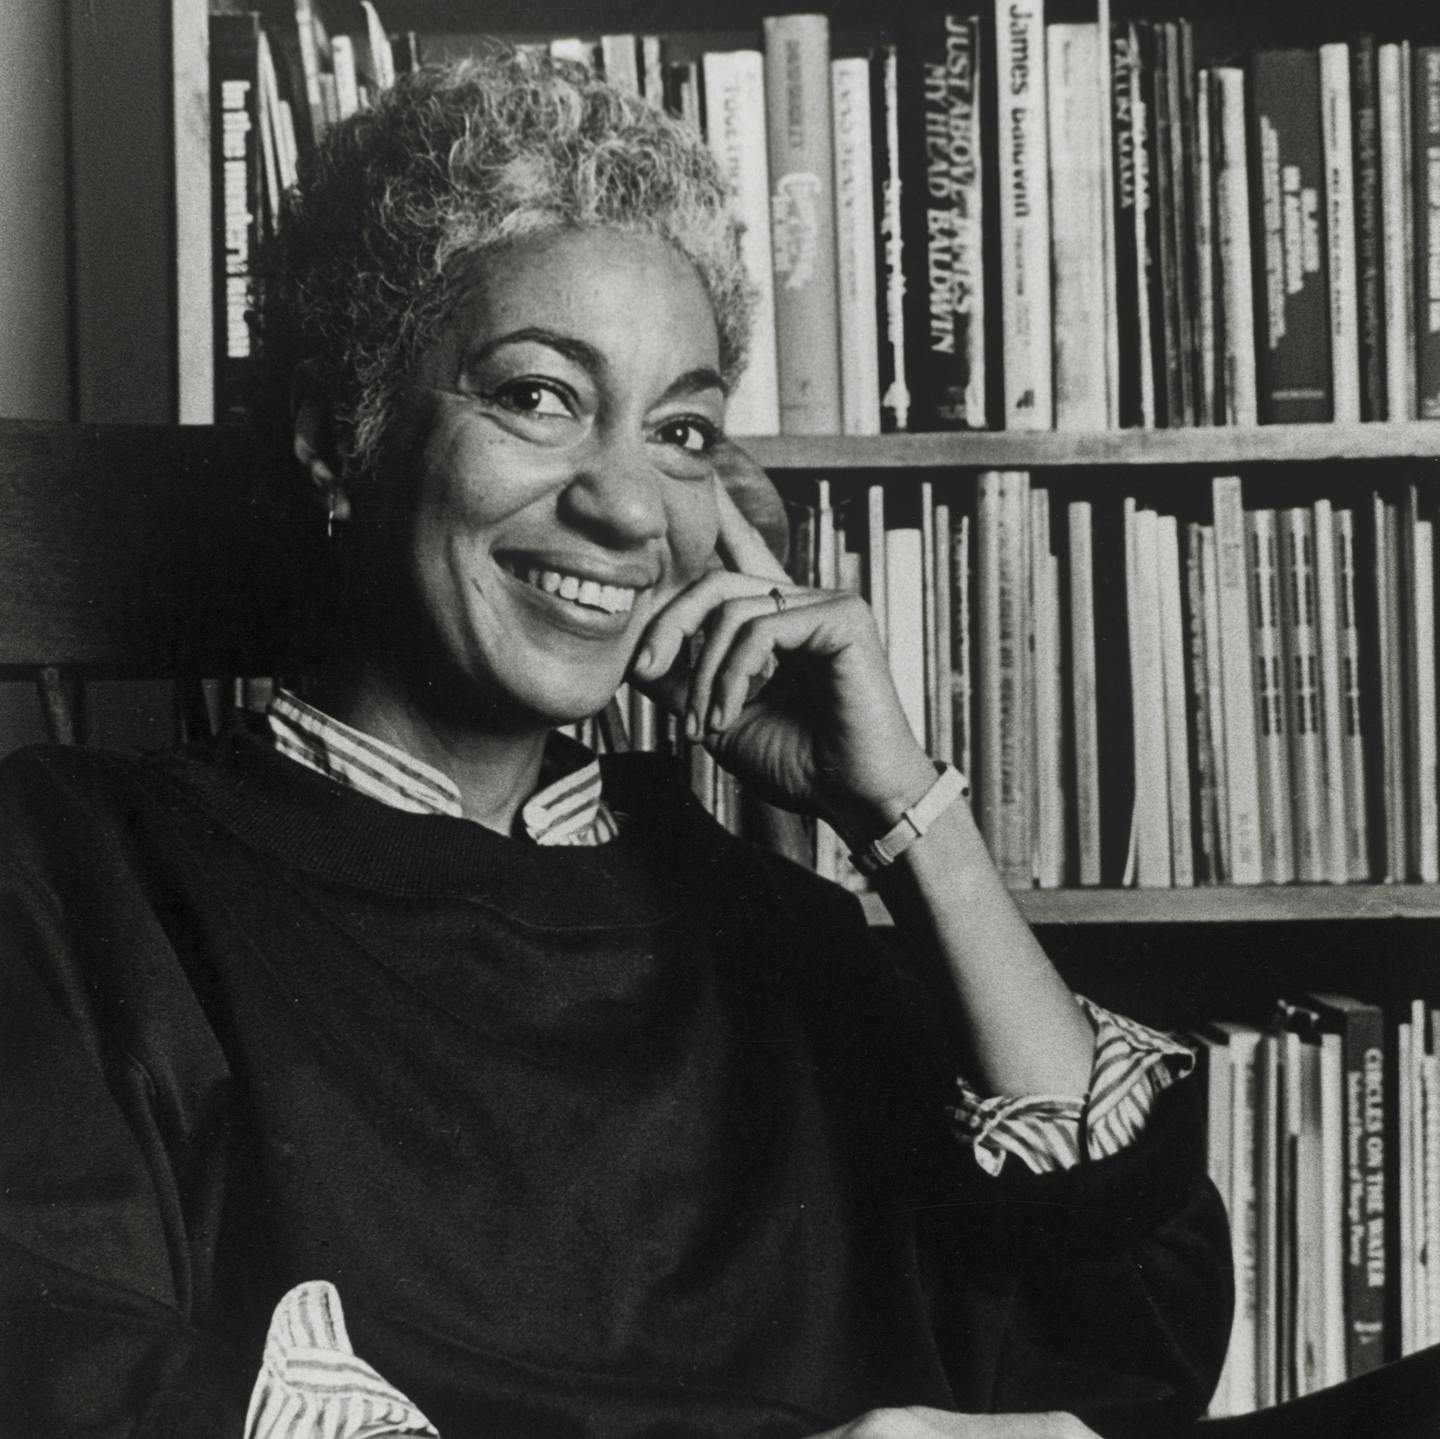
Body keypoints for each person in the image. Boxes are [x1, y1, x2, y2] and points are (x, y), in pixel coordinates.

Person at [0, 51, 1232, 1439]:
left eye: (685, 430)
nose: (629, 508)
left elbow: (1134, 1341)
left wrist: (907, 820)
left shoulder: (772, 926)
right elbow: (68, 1387)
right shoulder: (75, 875)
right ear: (338, 434)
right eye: (538, 395)